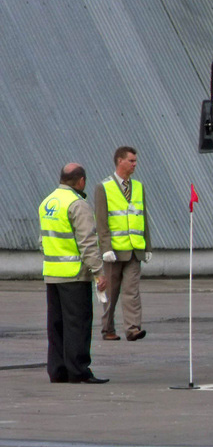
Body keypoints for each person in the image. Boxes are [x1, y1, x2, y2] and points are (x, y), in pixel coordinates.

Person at [39, 163, 109, 384]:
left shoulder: (47, 202)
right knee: (77, 324)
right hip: (74, 276)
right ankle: (78, 370)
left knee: (56, 325)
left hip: (52, 274)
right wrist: (98, 272)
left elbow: (42, 241)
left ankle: (58, 371)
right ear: (81, 182)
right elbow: (87, 243)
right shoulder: (77, 204)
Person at [96, 146, 151, 342]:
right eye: (131, 161)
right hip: (114, 251)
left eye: (135, 161)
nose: (135, 164)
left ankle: (133, 328)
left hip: (134, 250)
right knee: (110, 293)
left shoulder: (138, 186)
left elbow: (143, 218)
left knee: (132, 291)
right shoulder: (104, 187)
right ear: (120, 161)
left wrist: (147, 247)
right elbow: (101, 221)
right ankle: (108, 329)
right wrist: (106, 248)